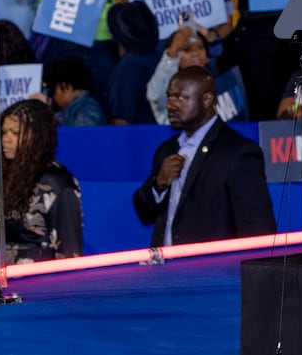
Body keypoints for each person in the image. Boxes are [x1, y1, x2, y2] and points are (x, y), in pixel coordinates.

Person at [132, 66, 275, 248]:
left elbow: (257, 227)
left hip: (213, 273)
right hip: (164, 271)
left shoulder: (239, 151)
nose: (171, 105)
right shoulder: (167, 150)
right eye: (169, 97)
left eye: (180, 98)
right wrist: (158, 183)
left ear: (207, 99)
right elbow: (144, 213)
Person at [0, 98, 84, 263]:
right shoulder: (4, 175)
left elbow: (70, 252)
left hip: (41, 281)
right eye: (4, 132)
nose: (6, 139)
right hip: (1, 280)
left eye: (15, 133)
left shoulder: (57, 182)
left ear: (35, 135)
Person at [43, 57, 107, 127]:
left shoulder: (86, 109)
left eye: (53, 90)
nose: (53, 96)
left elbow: (83, 136)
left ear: (65, 86)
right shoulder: (72, 110)